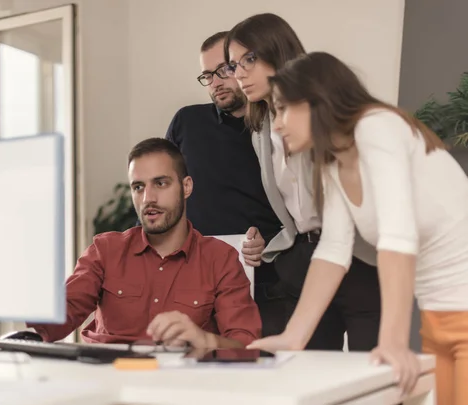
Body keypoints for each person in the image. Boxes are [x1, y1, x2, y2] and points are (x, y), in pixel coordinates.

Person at [248, 51, 468, 403]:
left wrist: (393, 341)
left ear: (316, 100)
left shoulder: (377, 126)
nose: (276, 124)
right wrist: (294, 336)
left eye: (283, 108)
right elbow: (334, 251)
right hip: (438, 316)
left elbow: (399, 233)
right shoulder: (335, 162)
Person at [223, 13, 381, 351]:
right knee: (309, 375)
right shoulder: (261, 132)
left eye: (250, 58)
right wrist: (274, 248)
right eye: (234, 65)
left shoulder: (328, 110)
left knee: (373, 380)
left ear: (278, 50)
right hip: (307, 261)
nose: (240, 74)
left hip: (359, 258)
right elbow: (292, 209)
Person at [28, 138, 261, 349]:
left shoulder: (220, 259)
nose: (148, 198)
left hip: (180, 386)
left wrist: (205, 340)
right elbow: (58, 318)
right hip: (107, 380)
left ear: (186, 187)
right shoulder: (105, 251)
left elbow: (246, 344)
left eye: (160, 183)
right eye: (138, 187)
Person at [164, 31, 287, 337]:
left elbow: (298, 206)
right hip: (191, 282)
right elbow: (163, 189)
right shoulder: (187, 122)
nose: (216, 82)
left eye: (224, 70)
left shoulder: (280, 127)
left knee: (263, 373)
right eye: (207, 75)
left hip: (263, 282)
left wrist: (269, 241)